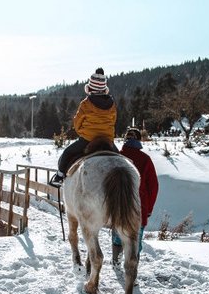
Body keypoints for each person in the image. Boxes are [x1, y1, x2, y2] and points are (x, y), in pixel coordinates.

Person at [50, 67, 116, 187]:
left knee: (67, 153)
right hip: (108, 140)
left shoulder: (86, 103)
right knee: (121, 158)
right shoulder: (112, 104)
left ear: (90, 88)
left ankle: (59, 176)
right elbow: (113, 121)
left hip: (88, 139)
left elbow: (77, 122)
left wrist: (82, 132)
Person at [112, 126, 159, 262]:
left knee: (117, 236)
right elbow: (153, 186)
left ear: (125, 139)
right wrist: (149, 209)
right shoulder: (145, 159)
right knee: (135, 239)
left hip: (118, 205)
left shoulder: (117, 157)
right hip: (139, 206)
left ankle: (116, 260)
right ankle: (132, 268)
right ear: (139, 140)